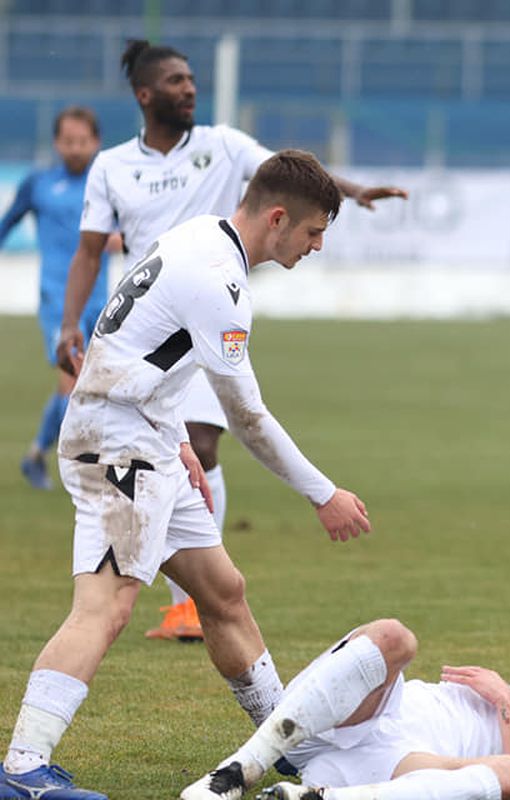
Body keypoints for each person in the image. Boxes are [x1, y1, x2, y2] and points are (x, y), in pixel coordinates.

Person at [0, 151, 373, 800]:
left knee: (223, 591)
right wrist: (324, 493)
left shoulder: (200, 234)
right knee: (106, 606)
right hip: (117, 449)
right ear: (278, 218)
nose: (317, 246)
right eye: (314, 232)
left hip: (145, 436)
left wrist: (177, 439)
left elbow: (139, 348)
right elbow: (248, 419)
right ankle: (24, 769)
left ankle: (288, 745)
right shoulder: (220, 283)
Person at [54, 39, 406, 642]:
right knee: (181, 458)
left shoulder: (221, 145)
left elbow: (293, 179)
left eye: (191, 78)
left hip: (210, 327)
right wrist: (68, 324)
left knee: (203, 449)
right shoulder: (113, 166)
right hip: (147, 335)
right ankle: (178, 593)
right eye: (175, 80)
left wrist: (354, 191)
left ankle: (189, 599)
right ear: (145, 94)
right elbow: (89, 251)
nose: (189, 87)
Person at [180, 618, 510, 800]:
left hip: (399, 766)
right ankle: (235, 774)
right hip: (367, 712)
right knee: (394, 637)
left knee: (509, 774)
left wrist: (506, 700)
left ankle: (313, 798)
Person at [0, 107, 117, 491]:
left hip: (102, 300)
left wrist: (120, 241)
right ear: (56, 142)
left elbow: (129, 233)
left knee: (85, 386)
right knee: (74, 382)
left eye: (82, 141)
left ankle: (36, 454)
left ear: (96, 142)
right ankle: (92, 474)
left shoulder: (107, 184)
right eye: (68, 141)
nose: (74, 148)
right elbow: (7, 224)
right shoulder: (38, 183)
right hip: (58, 301)